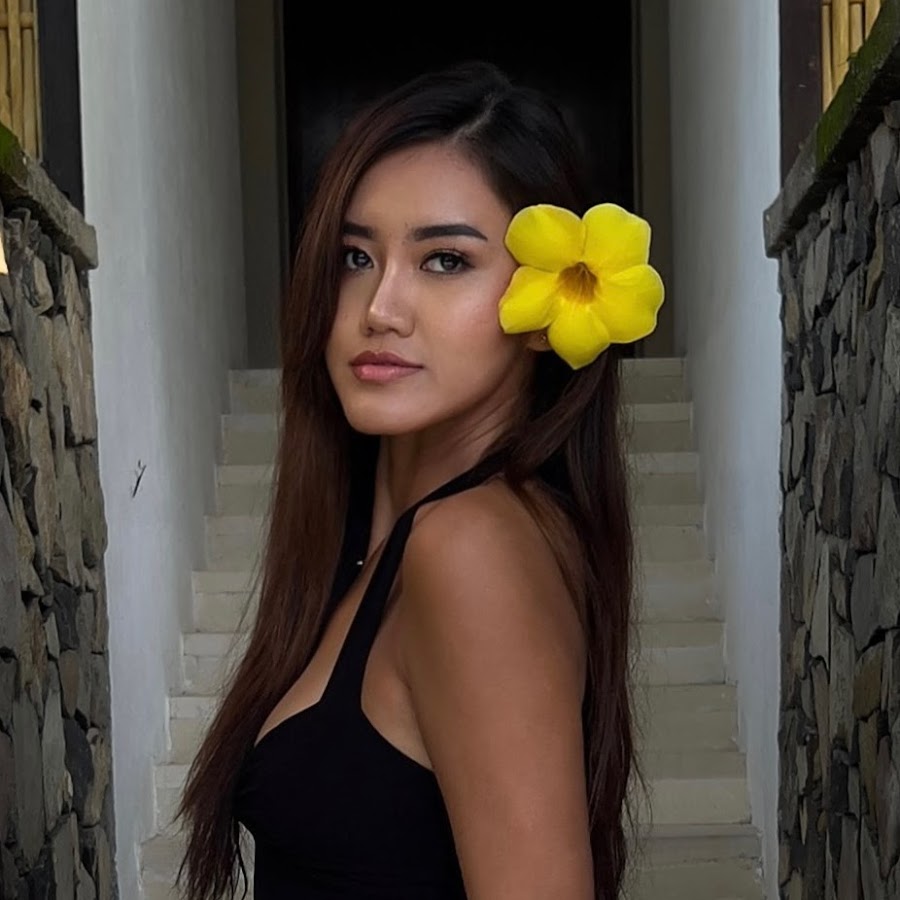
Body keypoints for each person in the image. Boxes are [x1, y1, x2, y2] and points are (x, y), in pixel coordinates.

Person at [175, 60, 662, 900]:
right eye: (355, 256)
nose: (380, 308)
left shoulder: (469, 548)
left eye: (444, 261)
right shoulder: (374, 547)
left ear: (546, 308)